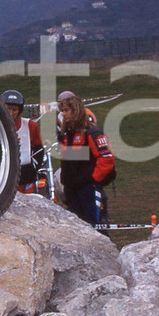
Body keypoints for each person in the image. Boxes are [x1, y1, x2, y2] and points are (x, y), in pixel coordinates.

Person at [57, 94, 116, 230]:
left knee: (95, 228)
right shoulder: (66, 135)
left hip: (87, 190)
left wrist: (92, 180)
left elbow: (106, 159)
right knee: (78, 229)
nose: (64, 114)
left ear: (76, 110)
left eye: (66, 110)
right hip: (71, 190)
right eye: (62, 111)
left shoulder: (91, 133)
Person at [2, 90, 45, 194]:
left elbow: (38, 150)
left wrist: (32, 169)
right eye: (8, 109)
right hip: (3, 176)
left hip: (25, 176)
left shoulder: (30, 125)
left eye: (14, 109)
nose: (11, 113)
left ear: (19, 110)